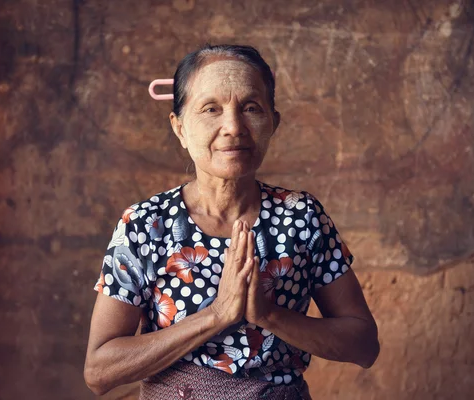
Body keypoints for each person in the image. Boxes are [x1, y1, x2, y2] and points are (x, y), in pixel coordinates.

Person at [84, 44, 379, 399]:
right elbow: (99, 372)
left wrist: (269, 315)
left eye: (251, 108)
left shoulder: (301, 217)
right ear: (180, 128)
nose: (234, 127)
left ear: (273, 122)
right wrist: (217, 315)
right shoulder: (146, 225)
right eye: (211, 109)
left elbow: (364, 346)